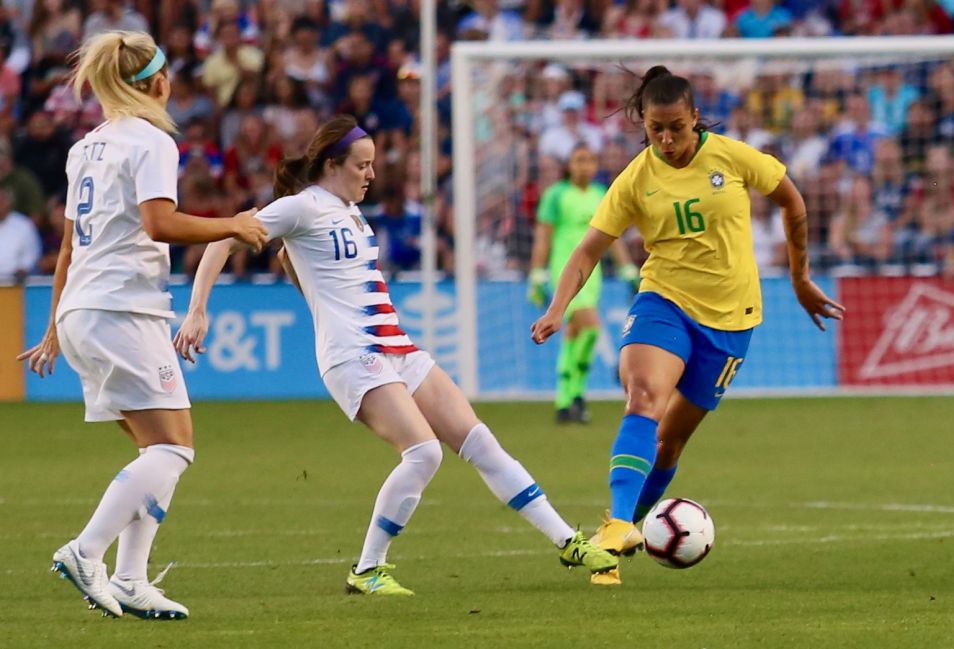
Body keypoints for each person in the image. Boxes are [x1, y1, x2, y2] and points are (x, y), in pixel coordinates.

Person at [174, 115, 618, 596]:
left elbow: (289, 259)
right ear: (331, 164)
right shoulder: (301, 207)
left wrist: (312, 293)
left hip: (397, 348)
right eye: (361, 165)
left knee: (479, 441)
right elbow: (225, 236)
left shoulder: (350, 212)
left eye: (371, 165)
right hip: (353, 355)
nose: (371, 174)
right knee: (423, 452)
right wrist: (197, 310)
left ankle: (566, 540)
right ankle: (367, 569)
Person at [530, 66, 844, 586]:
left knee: (670, 443)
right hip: (664, 301)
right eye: (657, 129)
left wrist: (800, 277)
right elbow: (588, 251)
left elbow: (792, 200)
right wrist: (558, 306)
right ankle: (614, 530)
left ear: (695, 117)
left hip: (730, 319)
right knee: (643, 396)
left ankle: (628, 527)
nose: (668, 139)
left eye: (677, 126)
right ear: (644, 124)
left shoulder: (733, 156)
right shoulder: (636, 177)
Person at [16, 31, 268, 619]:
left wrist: (57, 324)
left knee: (158, 449)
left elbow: (68, 248)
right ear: (156, 83)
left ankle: (130, 579)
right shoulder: (151, 141)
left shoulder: (88, 146)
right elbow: (160, 223)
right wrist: (233, 223)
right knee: (174, 450)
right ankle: (87, 551)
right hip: (120, 308)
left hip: (87, 307)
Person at [528, 144, 639, 423]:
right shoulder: (556, 195)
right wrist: (537, 273)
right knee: (590, 327)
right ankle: (580, 391)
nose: (585, 166)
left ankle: (567, 401)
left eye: (590, 160)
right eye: (579, 160)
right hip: (565, 270)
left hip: (592, 273)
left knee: (574, 334)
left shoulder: (601, 194)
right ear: (569, 165)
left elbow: (611, 236)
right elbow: (544, 237)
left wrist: (626, 268)